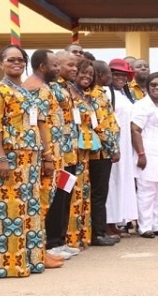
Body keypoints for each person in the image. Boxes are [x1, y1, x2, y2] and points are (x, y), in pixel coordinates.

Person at [0, 45, 45, 278]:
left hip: (30, 157)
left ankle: (29, 261)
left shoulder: (25, 91)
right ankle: (2, 265)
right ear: (1, 64)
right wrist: (2, 157)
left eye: (20, 59)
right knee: (7, 208)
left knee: (29, 208)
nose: (16, 63)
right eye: (11, 59)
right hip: (9, 156)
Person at [22, 49, 65, 269]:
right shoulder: (35, 88)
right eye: (54, 64)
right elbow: (37, 123)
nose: (58, 69)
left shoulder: (44, 86)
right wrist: (47, 156)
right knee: (40, 206)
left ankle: (42, 251)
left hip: (53, 154)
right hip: (44, 156)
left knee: (45, 205)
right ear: (42, 67)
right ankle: (39, 254)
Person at [45, 51, 81, 260]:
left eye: (76, 65)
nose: (74, 69)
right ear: (57, 66)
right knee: (57, 198)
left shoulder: (68, 88)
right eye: (70, 65)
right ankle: (52, 243)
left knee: (65, 196)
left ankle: (60, 240)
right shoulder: (51, 88)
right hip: (57, 153)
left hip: (70, 153)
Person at [132, 72, 158, 238]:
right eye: (153, 85)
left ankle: (157, 223)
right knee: (146, 191)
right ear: (148, 87)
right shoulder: (142, 105)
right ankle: (144, 226)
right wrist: (141, 154)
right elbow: (135, 129)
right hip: (148, 153)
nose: (157, 88)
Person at [88, 60, 121, 246]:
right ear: (100, 75)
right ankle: (98, 233)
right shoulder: (94, 95)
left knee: (101, 193)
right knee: (99, 194)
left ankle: (99, 231)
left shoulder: (100, 93)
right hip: (100, 152)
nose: (111, 76)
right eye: (108, 73)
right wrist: (113, 148)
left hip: (104, 150)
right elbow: (101, 125)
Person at [105, 59, 138, 238]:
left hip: (127, 145)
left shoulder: (127, 94)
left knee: (122, 182)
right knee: (111, 183)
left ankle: (119, 220)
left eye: (123, 75)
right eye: (116, 74)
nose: (119, 78)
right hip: (114, 144)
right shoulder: (106, 93)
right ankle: (108, 222)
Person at [66, 58, 97, 249]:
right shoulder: (68, 93)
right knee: (71, 193)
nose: (87, 76)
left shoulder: (86, 95)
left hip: (85, 151)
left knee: (83, 193)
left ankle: (80, 236)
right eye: (83, 72)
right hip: (71, 151)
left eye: (90, 74)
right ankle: (69, 237)